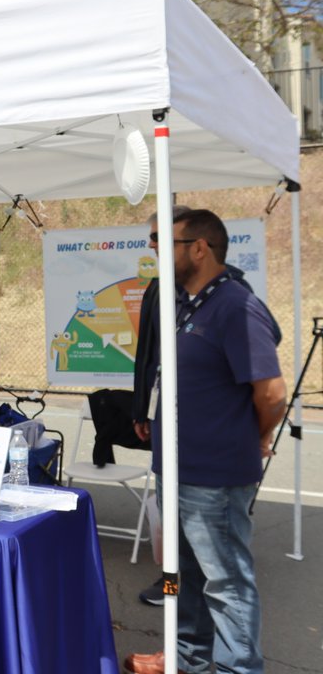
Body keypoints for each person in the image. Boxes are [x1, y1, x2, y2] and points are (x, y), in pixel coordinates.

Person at [124, 209, 286, 674]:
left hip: (214, 479)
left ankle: (239, 667)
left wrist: (252, 437)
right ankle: (185, 657)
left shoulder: (235, 305)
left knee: (227, 583)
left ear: (199, 248)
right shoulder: (184, 302)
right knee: (180, 577)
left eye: (165, 242)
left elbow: (271, 393)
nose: (155, 249)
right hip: (177, 470)